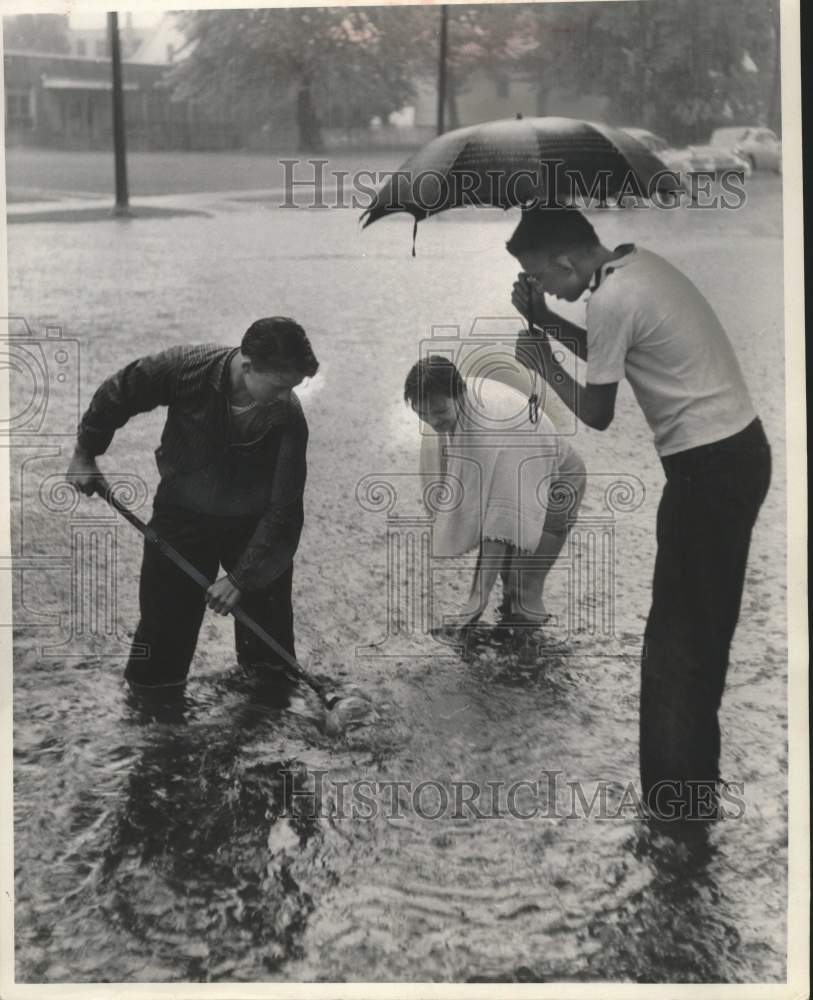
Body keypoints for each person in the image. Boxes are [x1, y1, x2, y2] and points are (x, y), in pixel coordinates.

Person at [508, 206, 771, 823]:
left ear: (567, 260)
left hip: (708, 472)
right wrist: (544, 319)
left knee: (676, 646)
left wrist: (542, 366)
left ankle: (674, 809)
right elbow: (611, 349)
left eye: (540, 277)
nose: (539, 286)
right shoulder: (634, 269)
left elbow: (598, 412)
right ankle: (692, 792)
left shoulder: (612, 299)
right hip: (732, 458)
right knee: (697, 634)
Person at [67, 317, 319, 691]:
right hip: (181, 516)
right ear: (247, 367)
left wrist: (241, 578)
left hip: (255, 528)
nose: (287, 397)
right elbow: (121, 392)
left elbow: (284, 509)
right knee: (160, 649)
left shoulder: (288, 417)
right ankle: (154, 723)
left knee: (271, 660)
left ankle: (266, 719)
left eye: (293, 388)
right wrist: (86, 452)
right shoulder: (187, 367)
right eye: (280, 386)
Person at [405, 356, 585, 627]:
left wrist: (477, 598)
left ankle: (532, 659)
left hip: (559, 482)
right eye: (423, 414)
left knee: (523, 586)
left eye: (440, 412)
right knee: (505, 576)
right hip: (526, 466)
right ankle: (510, 636)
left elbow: (501, 524)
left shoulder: (493, 430)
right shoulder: (455, 404)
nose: (433, 421)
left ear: (460, 392)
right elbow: (481, 508)